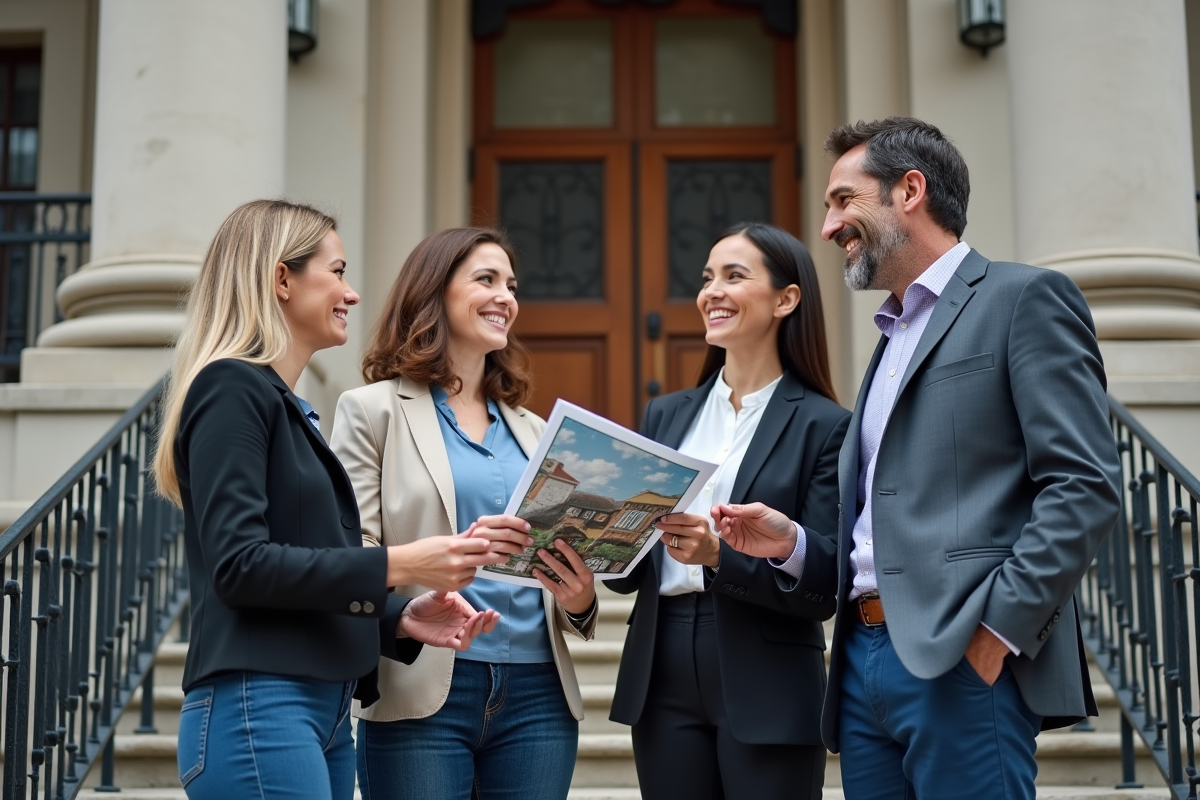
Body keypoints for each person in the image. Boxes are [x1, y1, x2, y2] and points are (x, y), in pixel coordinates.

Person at [715, 118, 1122, 800]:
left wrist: (997, 631)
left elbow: (1084, 485)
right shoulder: (887, 337)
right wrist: (790, 543)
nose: (828, 227)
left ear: (910, 190)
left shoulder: (1022, 300)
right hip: (860, 665)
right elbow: (886, 518)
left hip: (962, 659)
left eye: (843, 200)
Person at [155, 201, 509, 800]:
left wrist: (401, 617)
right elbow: (241, 567)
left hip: (317, 710)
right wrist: (403, 565)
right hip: (259, 706)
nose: (352, 292)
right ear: (281, 279)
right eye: (337, 271)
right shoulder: (231, 386)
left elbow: (301, 571)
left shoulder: (285, 407)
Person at [330, 227, 598, 800]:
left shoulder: (537, 430)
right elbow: (349, 557)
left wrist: (580, 601)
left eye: (512, 285)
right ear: (434, 293)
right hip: (422, 687)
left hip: (539, 697)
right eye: (486, 280)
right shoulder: (371, 411)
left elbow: (563, 579)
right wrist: (449, 555)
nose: (506, 296)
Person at [604, 223, 849, 800]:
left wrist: (720, 558)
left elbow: (826, 581)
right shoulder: (665, 414)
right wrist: (597, 550)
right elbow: (634, 567)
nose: (711, 291)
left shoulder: (825, 425)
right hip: (659, 666)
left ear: (786, 299)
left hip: (767, 671)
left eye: (734, 276)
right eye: (708, 277)